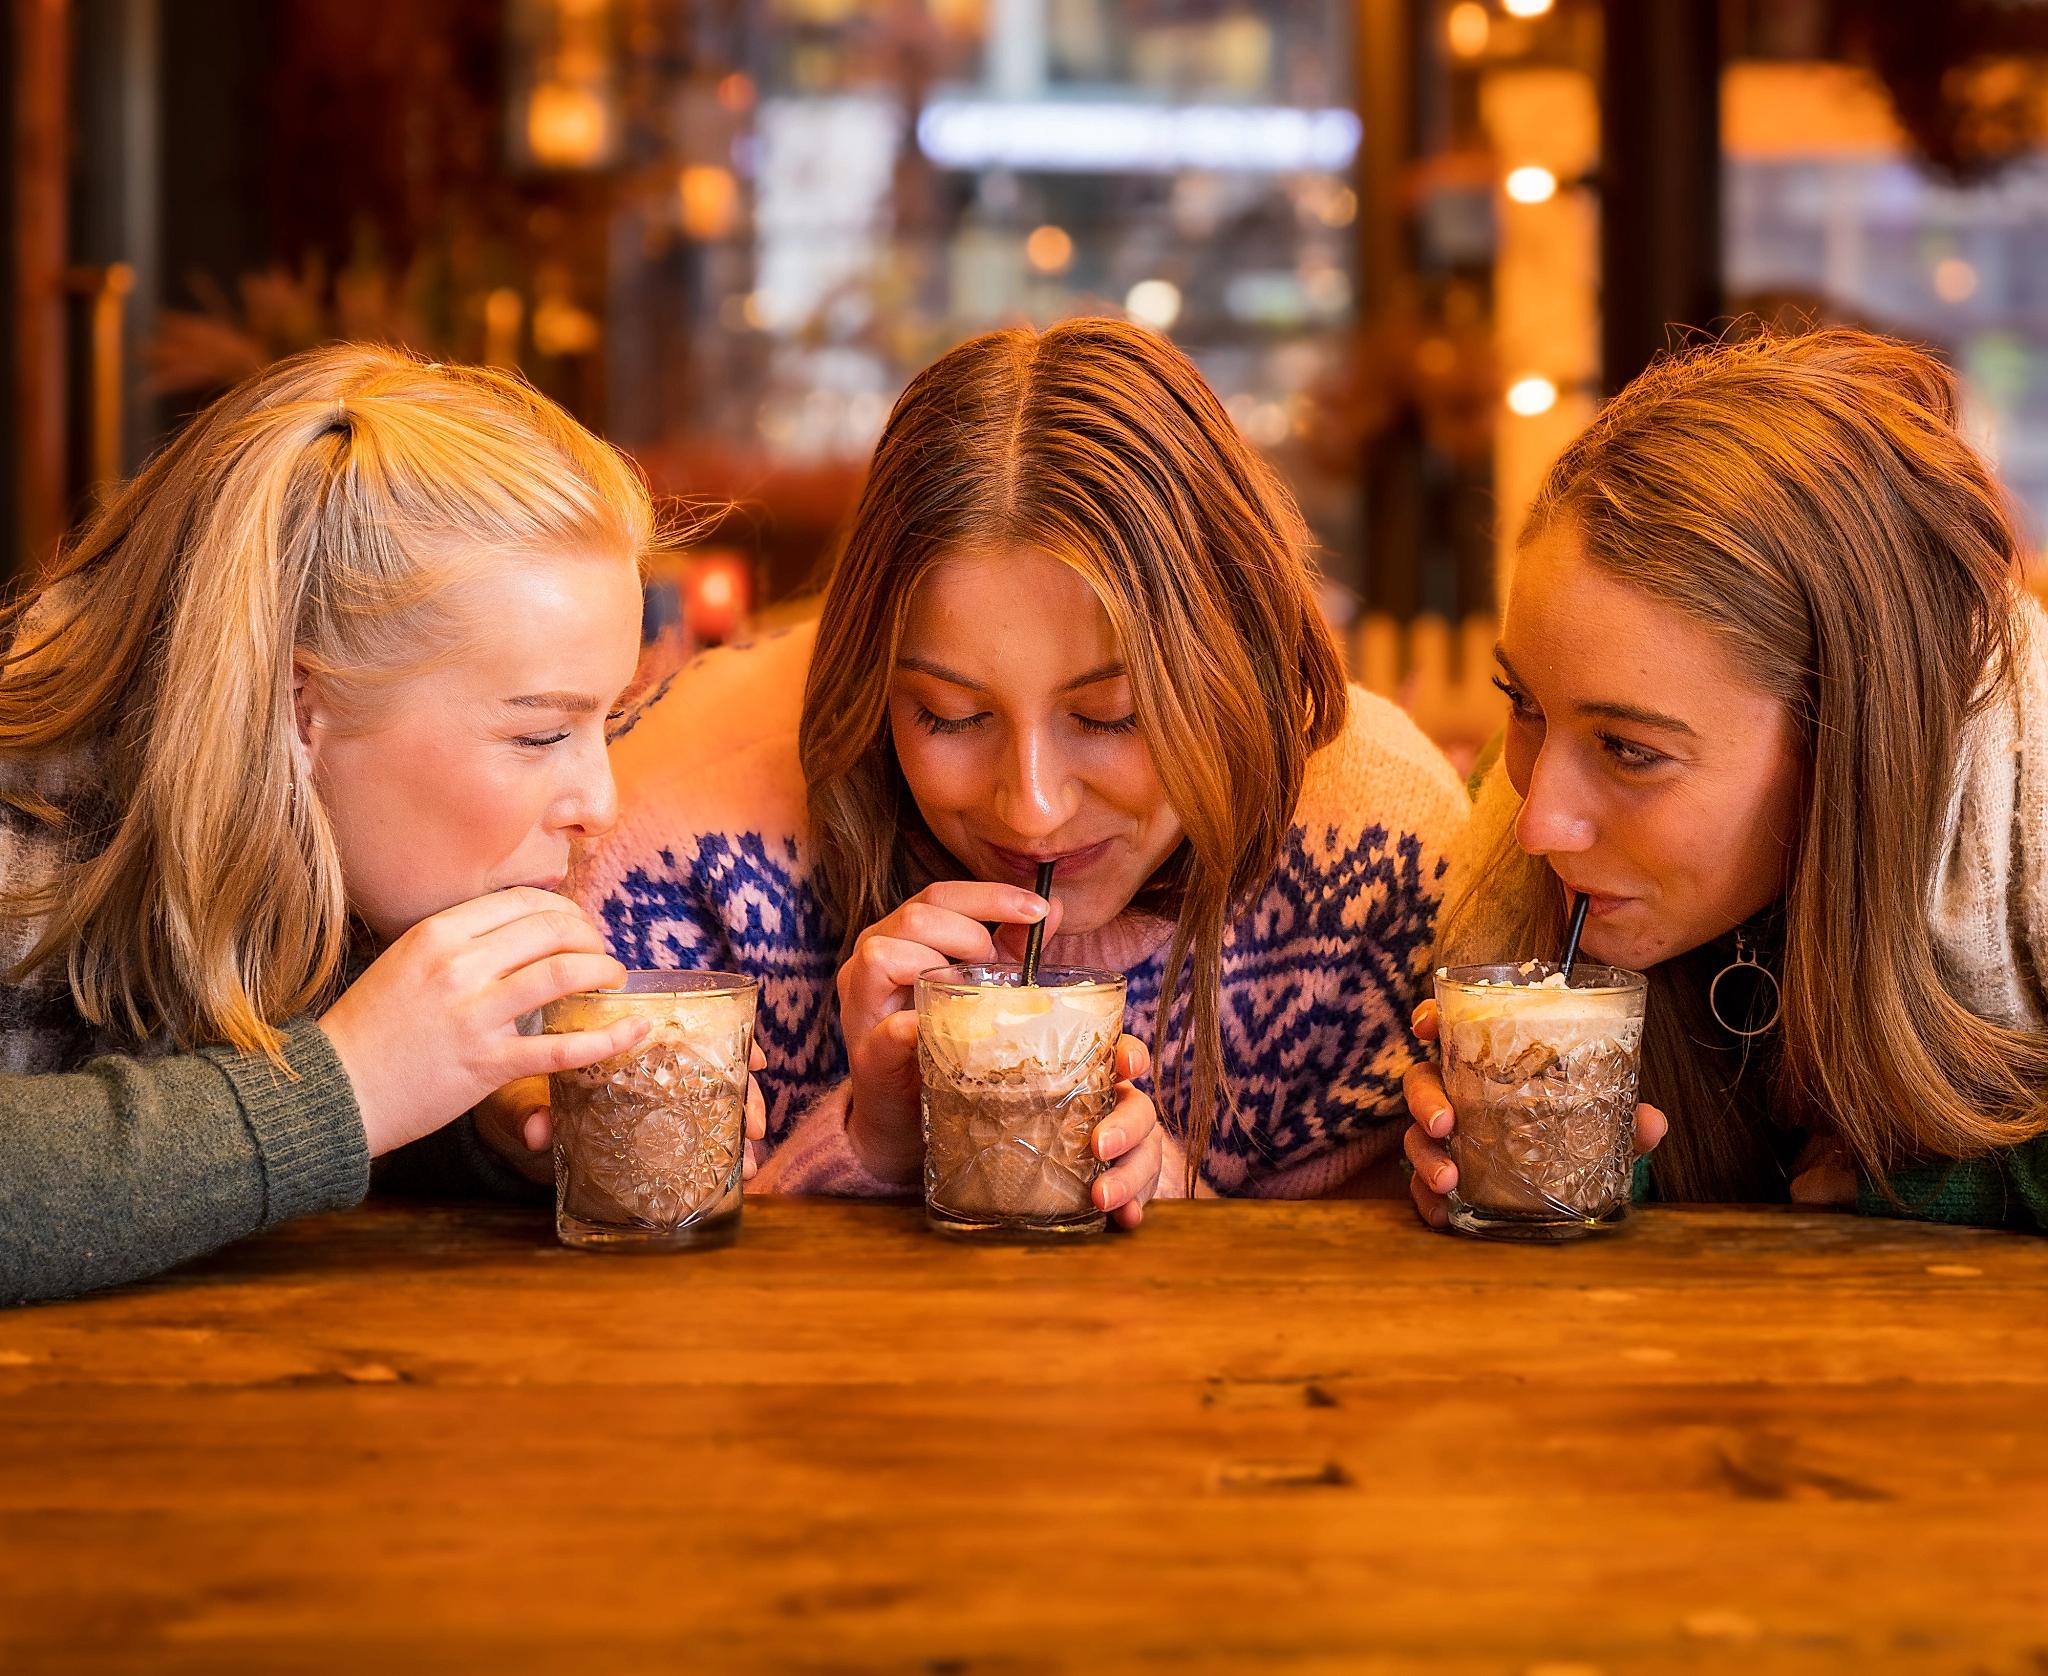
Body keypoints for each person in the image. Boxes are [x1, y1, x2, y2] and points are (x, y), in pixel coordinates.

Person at [573, 317, 1471, 1210]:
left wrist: (1171, 1200)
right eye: (952, 716)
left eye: (1111, 717)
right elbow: (626, 1299)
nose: (1033, 808)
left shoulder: (1382, 852)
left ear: (1233, 663)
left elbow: (1384, 1294)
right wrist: (875, 1146)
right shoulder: (675, 854)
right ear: (870, 674)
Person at [0, 345, 740, 1303]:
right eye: (539, 734)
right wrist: (343, 1089)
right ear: (302, 709)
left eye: (608, 721)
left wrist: (482, 1127)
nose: (599, 804)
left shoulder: (328, 850)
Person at [1403, 327, 2048, 1233]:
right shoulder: (1497, 851)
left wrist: (1940, 1186)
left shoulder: (2025, 821)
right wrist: (1545, 1172)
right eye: (1525, 703)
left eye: (1631, 750)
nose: (1536, 821)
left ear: (1847, 745)